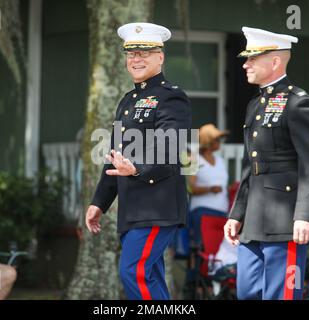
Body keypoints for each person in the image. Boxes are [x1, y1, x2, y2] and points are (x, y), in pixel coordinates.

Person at [85, 22, 191, 300]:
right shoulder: (128, 100)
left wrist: (138, 168)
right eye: (132, 53)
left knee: (134, 272)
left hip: (159, 205)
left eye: (145, 52)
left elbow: (171, 146)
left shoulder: (171, 96)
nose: (137, 58)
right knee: (149, 275)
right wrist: (99, 202)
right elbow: (114, 158)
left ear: (161, 56)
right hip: (132, 207)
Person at [224, 27, 309, 300]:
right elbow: (253, 166)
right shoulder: (254, 105)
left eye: (252, 59)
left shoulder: (298, 102)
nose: (245, 64)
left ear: (274, 61)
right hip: (254, 219)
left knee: (281, 295)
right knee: (247, 292)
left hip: (287, 219)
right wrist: (237, 213)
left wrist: (305, 214)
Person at [188, 123, 230, 246]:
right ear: (209, 141)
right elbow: (190, 188)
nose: (220, 142)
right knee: (202, 250)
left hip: (222, 211)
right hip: (202, 212)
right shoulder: (192, 158)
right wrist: (210, 189)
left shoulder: (220, 160)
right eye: (217, 139)